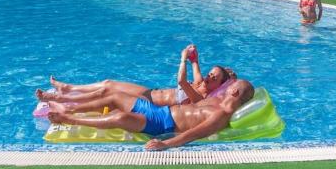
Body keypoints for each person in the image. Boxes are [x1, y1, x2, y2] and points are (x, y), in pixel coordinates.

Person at [46, 80, 255, 150]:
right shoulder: (217, 100)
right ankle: (70, 107)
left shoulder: (222, 113)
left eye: (232, 85)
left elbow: (193, 134)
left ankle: (69, 119)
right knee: (113, 95)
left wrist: (165, 144)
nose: (229, 86)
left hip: (163, 124)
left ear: (235, 92)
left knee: (121, 117)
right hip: (159, 111)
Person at [39, 47, 235, 107]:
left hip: (152, 104)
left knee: (107, 92)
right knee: (109, 82)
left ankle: (60, 98)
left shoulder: (201, 99)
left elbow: (182, 81)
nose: (209, 77)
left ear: (219, 86)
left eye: (214, 78)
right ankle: (68, 88)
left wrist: (182, 58)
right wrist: (193, 55)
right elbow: (196, 63)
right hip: (150, 93)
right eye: (211, 73)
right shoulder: (201, 84)